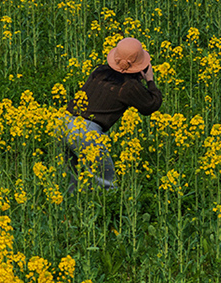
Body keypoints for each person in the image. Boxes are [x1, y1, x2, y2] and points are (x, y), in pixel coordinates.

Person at [62, 37, 162, 192]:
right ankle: (108, 214)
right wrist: (150, 80)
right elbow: (151, 105)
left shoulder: (99, 72)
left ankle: (71, 213)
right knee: (106, 185)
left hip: (62, 124)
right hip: (85, 133)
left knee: (73, 182)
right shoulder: (128, 87)